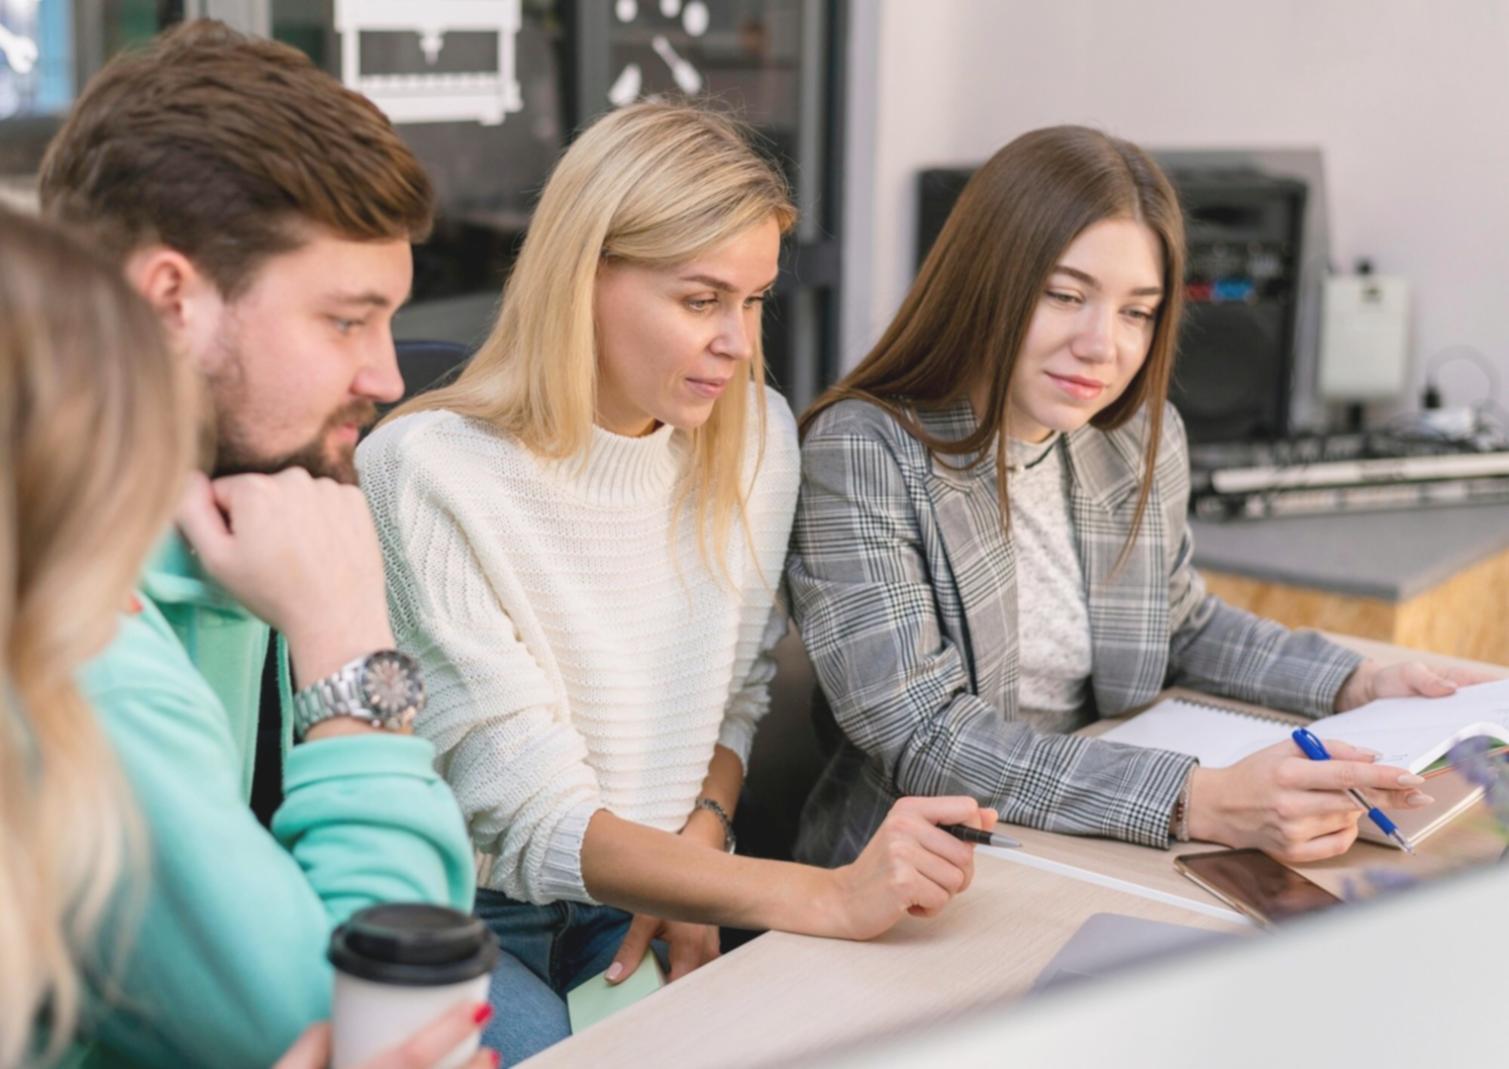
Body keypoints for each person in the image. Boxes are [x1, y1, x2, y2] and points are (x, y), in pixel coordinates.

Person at [358, 101, 993, 1063]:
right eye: (701, 301)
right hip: (471, 911)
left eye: (754, 301)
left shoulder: (755, 434)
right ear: (583, 281)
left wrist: (702, 844)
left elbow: (732, 693)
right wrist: (820, 894)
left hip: (662, 887)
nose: (737, 342)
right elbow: (529, 815)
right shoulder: (426, 470)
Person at [786, 125, 1487, 872]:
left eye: (1136, 312)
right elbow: (922, 734)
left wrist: (1357, 682)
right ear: (984, 281)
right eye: (1064, 295)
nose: (1103, 345)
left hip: (1090, 828)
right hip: (920, 866)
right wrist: (1200, 799)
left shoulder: (1131, 435)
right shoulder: (861, 449)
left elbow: (1176, 625)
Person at [36, 21, 475, 1067]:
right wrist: (346, 645)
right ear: (172, 303)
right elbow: (367, 1020)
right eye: (344, 320)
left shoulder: (233, 520)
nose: (387, 377)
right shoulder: (69, 629)